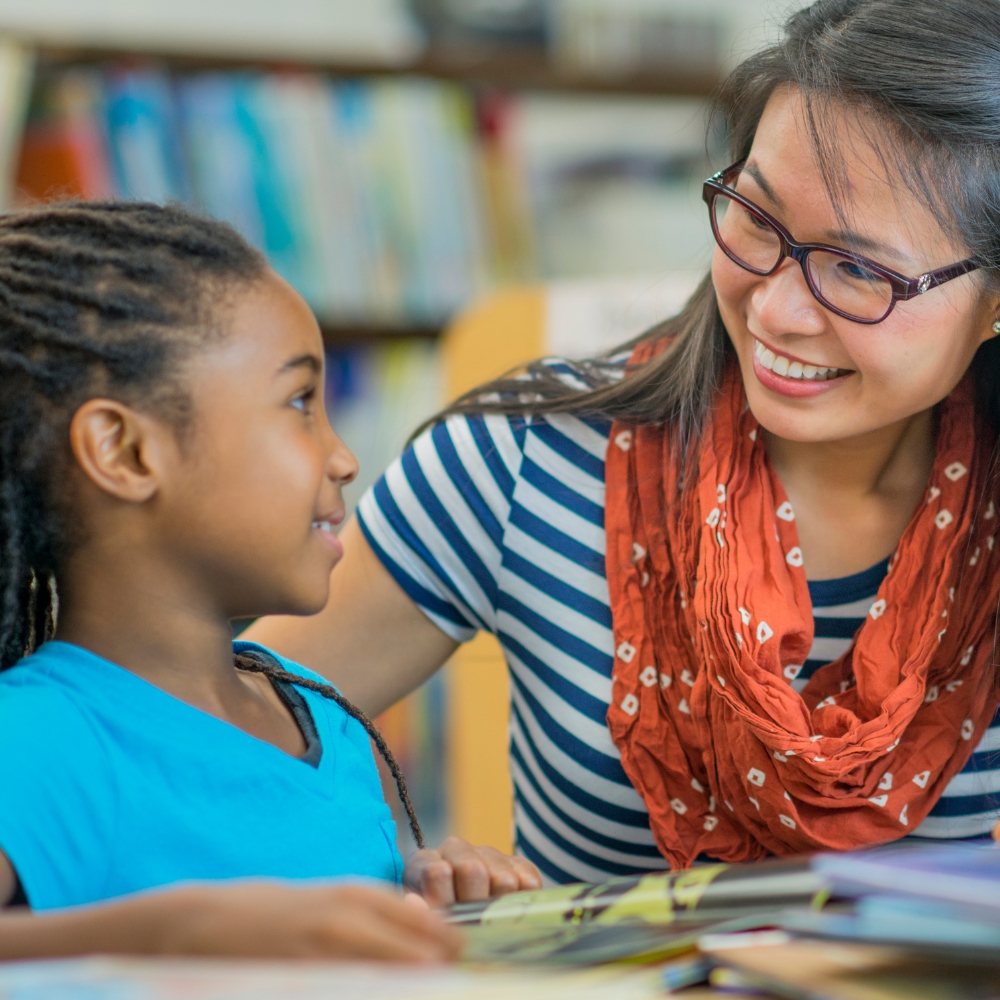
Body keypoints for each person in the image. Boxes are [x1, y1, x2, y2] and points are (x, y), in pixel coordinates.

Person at [249, 0, 1000, 882]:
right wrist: (383, 866)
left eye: (858, 271)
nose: (776, 308)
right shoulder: (521, 463)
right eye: (757, 219)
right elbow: (197, 755)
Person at [0, 201, 538, 958]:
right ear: (123, 452)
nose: (344, 458)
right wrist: (180, 933)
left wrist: (426, 903)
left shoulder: (324, 718)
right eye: (299, 403)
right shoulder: (38, 736)